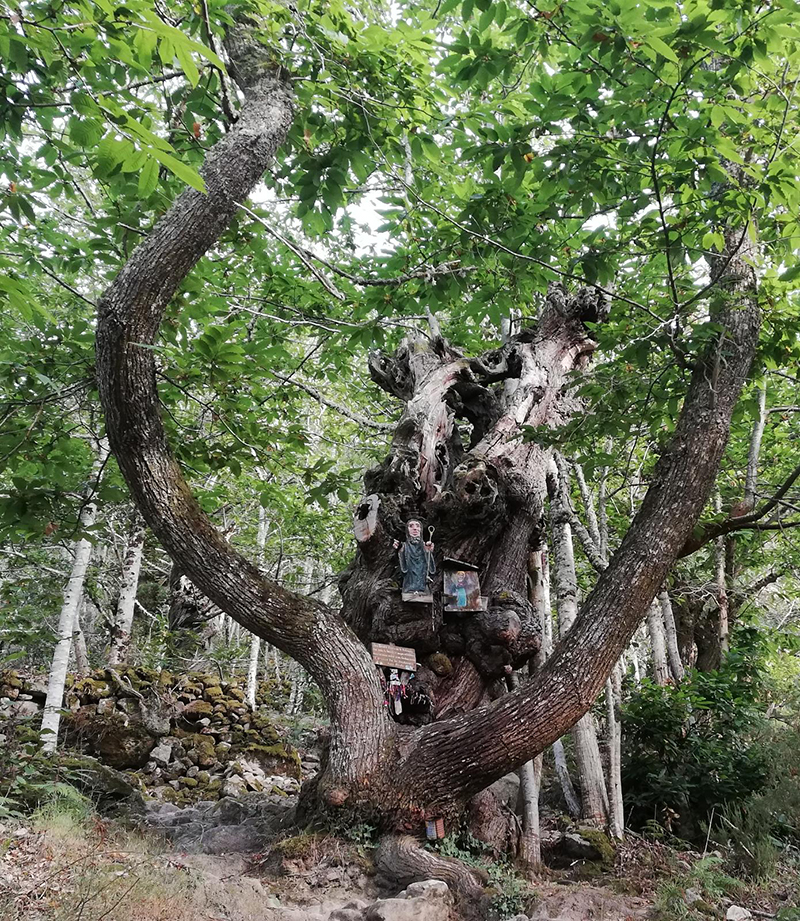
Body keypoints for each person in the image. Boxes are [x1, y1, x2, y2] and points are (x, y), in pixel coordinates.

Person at [393, 519, 435, 595]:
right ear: (407, 530)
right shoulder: (404, 546)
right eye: (411, 526)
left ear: (421, 530)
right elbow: (401, 569)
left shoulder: (425, 546)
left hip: (423, 587)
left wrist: (428, 552)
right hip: (408, 586)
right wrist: (399, 550)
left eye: (417, 526)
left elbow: (431, 570)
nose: (415, 528)